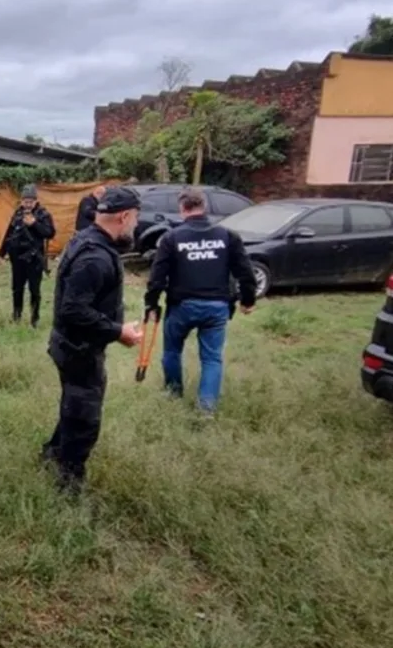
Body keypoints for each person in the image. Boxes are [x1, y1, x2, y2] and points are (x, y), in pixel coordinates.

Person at [41, 186, 144, 494]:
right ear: (124, 216)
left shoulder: (86, 239)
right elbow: (73, 309)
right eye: (135, 219)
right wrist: (117, 331)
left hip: (70, 344)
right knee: (84, 418)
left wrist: (114, 326)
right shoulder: (95, 257)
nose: (136, 225)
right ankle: (69, 487)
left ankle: (51, 454)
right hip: (78, 350)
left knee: (73, 405)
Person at [143, 187, 257, 416]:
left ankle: (174, 392)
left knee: (172, 351)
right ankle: (206, 410)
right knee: (212, 358)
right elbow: (245, 271)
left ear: (182, 209)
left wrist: (152, 304)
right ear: (203, 207)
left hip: (181, 307)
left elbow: (157, 276)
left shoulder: (171, 237)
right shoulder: (227, 236)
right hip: (216, 307)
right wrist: (248, 300)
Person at [0, 184, 56, 326]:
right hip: (17, 257)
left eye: (30, 201)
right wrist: (1, 253)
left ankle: (34, 319)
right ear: (21, 201)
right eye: (25, 201)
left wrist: (34, 223)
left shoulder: (43, 214)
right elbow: (9, 234)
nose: (27, 204)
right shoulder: (18, 214)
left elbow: (50, 233)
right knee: (17, 288)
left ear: (36, 201)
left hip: (34, 258)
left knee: (34, 289)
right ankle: (16, 316)